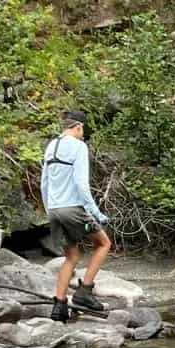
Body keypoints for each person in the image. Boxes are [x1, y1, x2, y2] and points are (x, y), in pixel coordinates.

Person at [41, 113, 113, 320]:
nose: (84, 135)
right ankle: (85, 292)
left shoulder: (51, 146)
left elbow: (44, 183)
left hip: (54, 211)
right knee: (103, 243)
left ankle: (59, 306)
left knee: (71, 257)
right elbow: (81, 184)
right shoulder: (78, 147)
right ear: (78, 127)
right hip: (73, 209)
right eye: (83, 130)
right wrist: (96, 213)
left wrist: (49, 210)